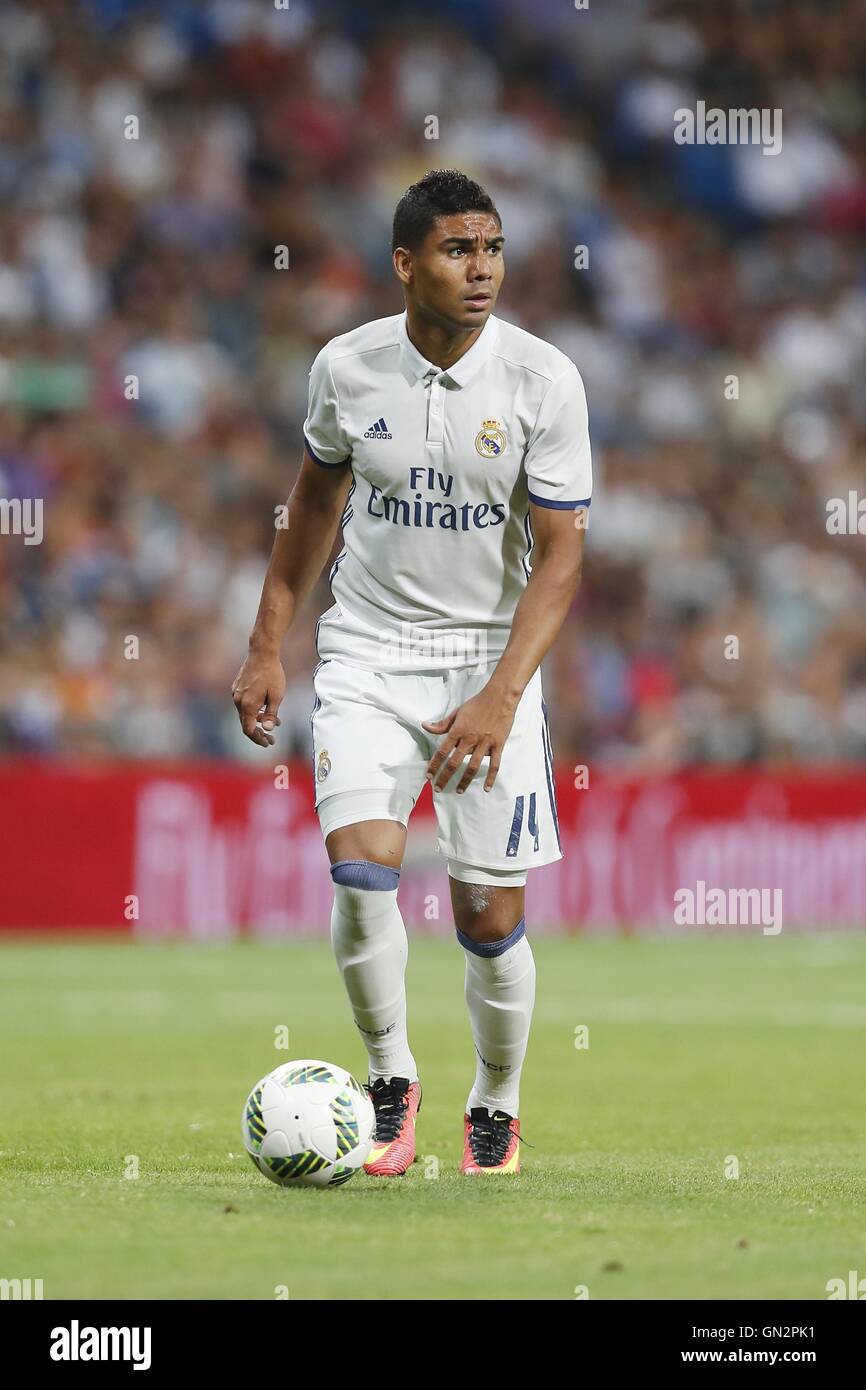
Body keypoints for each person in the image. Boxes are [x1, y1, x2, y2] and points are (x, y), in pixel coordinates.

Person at [232, 169, 591, 1175]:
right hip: (368, 654)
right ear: (404, 263)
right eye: (454, 250)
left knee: (487, 916)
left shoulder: (541, 381)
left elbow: (562, 555)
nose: (479, 269)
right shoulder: (346, 368)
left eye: (490, 249)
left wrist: (499, 695)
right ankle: (389, 1085)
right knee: (359, 873)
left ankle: (497, 1103)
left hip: (488, 664)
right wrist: (267, 642)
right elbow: (309, 507)